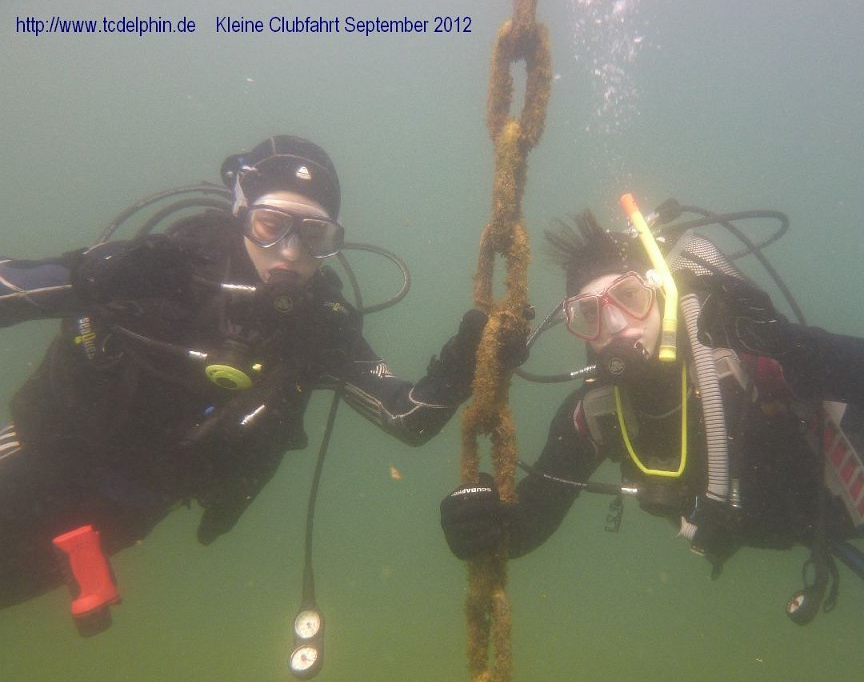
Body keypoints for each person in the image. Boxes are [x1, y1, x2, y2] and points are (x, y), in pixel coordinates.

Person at [440, 203, 864, 670]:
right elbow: (528, 523)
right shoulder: (597, 412)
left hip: (837, 498)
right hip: (774, 525)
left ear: (664, 296)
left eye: (629, 296)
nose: (616, 325)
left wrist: (782, 340)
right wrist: (480, 527)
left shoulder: (742, 356)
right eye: (588, 314)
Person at [0, 135, 502, 623]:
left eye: (315, 234)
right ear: (241, 214)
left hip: (120, 520)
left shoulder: (319, 324)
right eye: (271, 224)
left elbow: (408, 418)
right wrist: (85, 276)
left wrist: (465, 364)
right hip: (30, 461)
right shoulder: (164, 266)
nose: (290, 251)